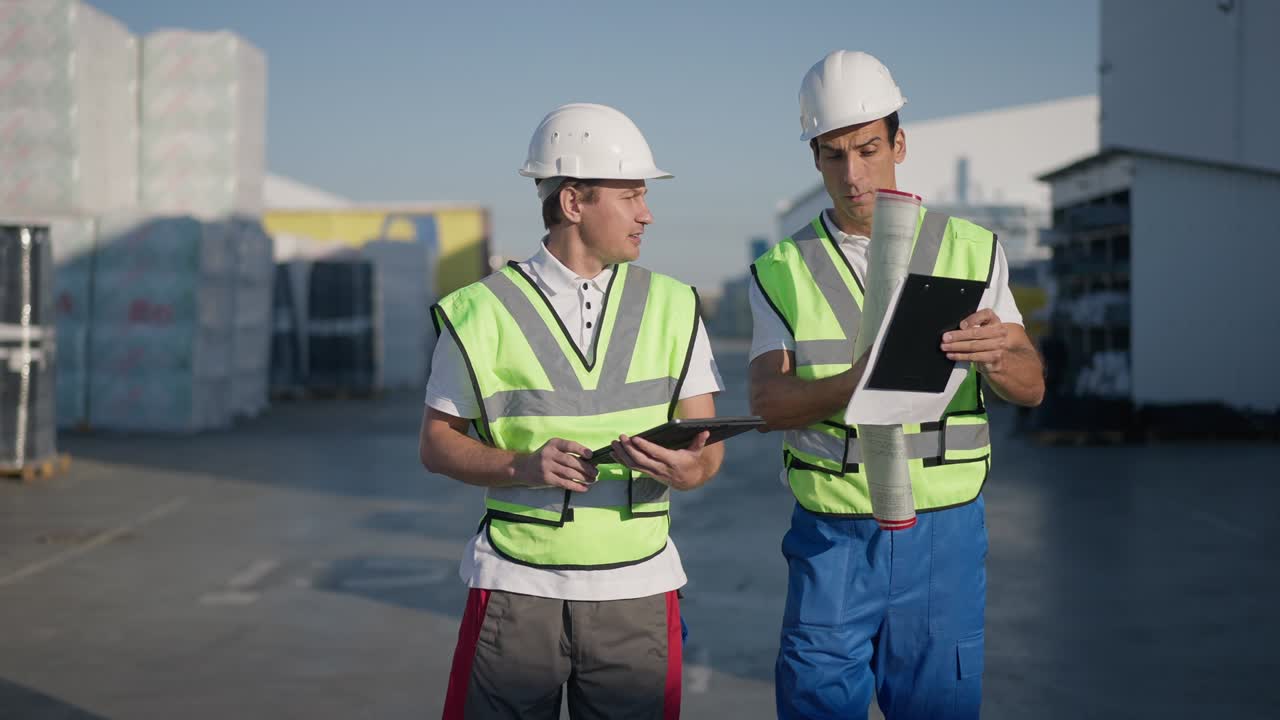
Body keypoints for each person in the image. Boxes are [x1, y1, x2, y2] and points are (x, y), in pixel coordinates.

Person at [748, 51, 1045, 719]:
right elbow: (768, 403)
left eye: (867, 150)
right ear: (815, 159)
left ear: (899, 144)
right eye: (833, 156)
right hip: (833, 534)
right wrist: (858, 383)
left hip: (944, 533)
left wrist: (999, 356)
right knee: (816, 702)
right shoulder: (782, 268)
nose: (852, 174)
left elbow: (1030, 388)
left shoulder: (973, 249)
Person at [420, 102, 725, 720]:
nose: (647, 213)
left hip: (637, 588)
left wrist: (690, 470)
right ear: (572, 202)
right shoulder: (480, 312)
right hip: (516, 586)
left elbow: (707, 447)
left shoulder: (674, 305)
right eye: (631, 195)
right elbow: (436, 443)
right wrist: (523, 467)